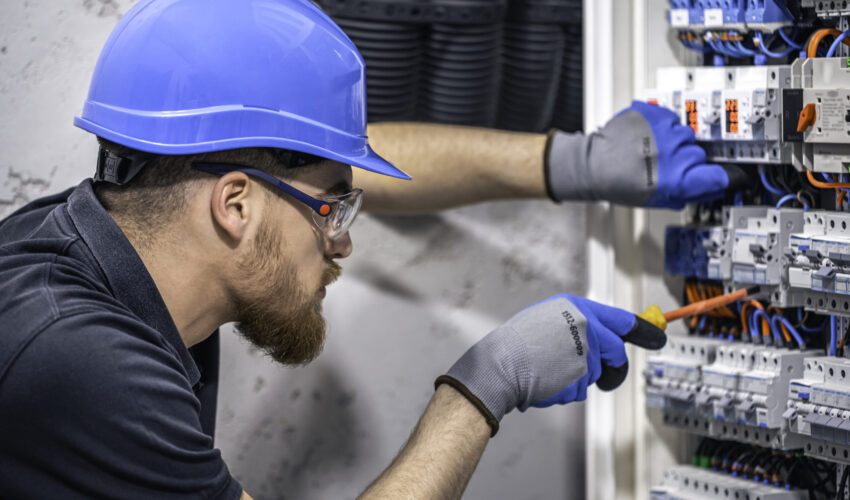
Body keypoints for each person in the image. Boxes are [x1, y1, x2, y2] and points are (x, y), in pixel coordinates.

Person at [0, 0, 739, 498]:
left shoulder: (107, 242)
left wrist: (572, 164)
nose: (342, 241)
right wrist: (484, 387)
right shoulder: (79, 359)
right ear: (233, 203)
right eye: (333, 211)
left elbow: (322, 169)